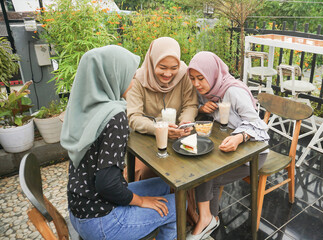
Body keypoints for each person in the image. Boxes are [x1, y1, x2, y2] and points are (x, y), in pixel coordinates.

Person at [60, 45, 177, 240]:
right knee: (179, 205)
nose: (132, 82)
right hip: (102, 222)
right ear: (113, 76)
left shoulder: (83, 109)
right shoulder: (114, 117)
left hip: (79, 213)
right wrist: (140, 201)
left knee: (163, 185)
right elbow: (107, 184)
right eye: (130, 76)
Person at [186, 51, 270, 240]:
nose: (196, 84)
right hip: (225, 147)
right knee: (202, 168)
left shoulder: (233, 91)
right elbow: (199, 110)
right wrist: (201, 108)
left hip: (252, 152)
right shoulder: (206, 92)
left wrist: (240, 136)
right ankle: (209, 218)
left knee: (208, 176)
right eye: (192, 78)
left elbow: (259, 126)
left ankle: (207, 220)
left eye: (201, 78)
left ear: (213, 74)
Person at [126, 37, 198, 181]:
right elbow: (133, 117)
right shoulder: (138, 80)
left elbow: (190, 104)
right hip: (147, 137)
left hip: (178, 135)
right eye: (162, 67)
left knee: (189, 172)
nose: (168, 74)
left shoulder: (184, 75)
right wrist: (158, 129)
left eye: (173, 68)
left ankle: (182, 203)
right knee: (143, 172)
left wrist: (185, 122)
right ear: (152, 62)